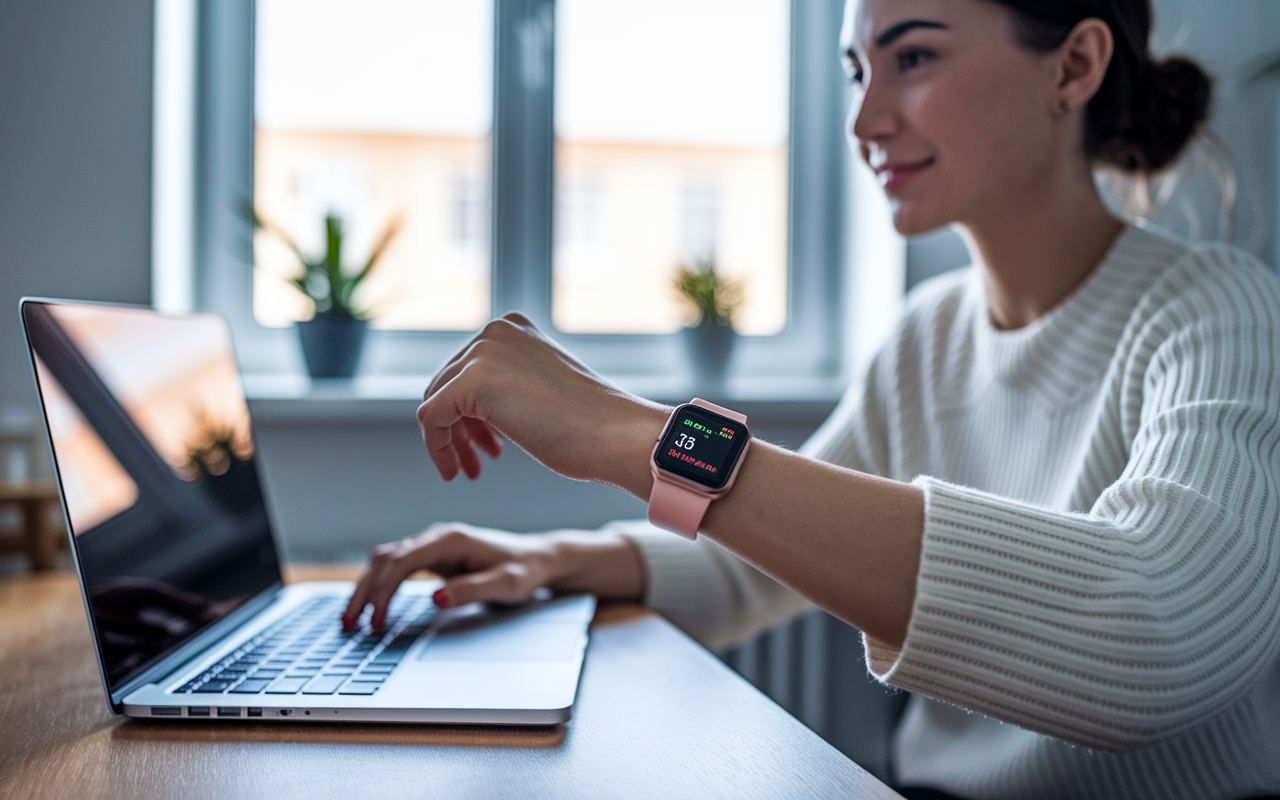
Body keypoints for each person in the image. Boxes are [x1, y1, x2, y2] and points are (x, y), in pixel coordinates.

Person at [343, 0, 1280, 797]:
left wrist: (624, 433)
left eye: (913, 57)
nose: (866, 120)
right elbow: (755, 553)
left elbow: (1159, 628)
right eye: (855, 70)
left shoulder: (1218, 307)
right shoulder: (927, 335)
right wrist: (550, 557)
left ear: (1072, 65)